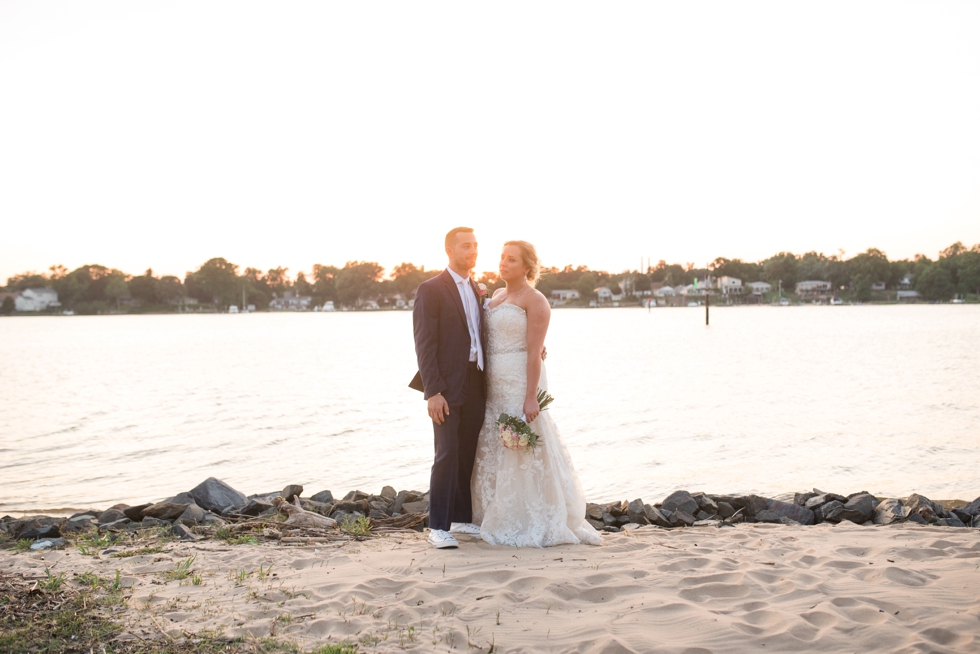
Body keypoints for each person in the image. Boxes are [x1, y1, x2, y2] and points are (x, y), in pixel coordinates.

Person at [471, 240, 601, 547]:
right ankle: (493, 512)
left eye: (512, 260)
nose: (503, 264)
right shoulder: (497, 295)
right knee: (496, 442)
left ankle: (534, 516)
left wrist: (531, 397)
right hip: (494, 384)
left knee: (524, 442)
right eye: (502, 258)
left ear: (527, 267)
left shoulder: (536, 300)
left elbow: (533, 353)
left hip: (521, 381)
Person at [412, 227, 487, 549]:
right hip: (445, 384)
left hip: (477, 381)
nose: (472, 252)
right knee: (446, 453)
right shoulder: (431, 289)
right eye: (465, 246)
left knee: (467, 452)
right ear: (449, 250)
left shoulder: (478, 288)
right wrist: (433, 391)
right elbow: (424, 344)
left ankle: (462, 519)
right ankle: (438, 527)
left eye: (475, 246)